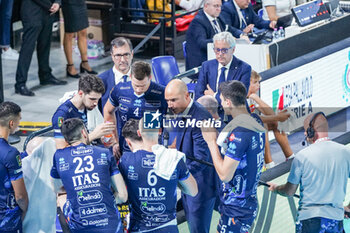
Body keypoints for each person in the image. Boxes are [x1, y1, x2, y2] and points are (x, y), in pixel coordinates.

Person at [201, 80, 266, 233]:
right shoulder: (255, 120)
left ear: (229, 102)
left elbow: (225, 174)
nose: (221, 104)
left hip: (236, 210)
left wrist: (210, 142)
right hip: (244, 204)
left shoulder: (240, 132)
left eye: (222, 100)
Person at [268, 112, 350, 233]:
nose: (305, 134)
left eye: (306, 130)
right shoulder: (345, 153)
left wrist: (276, 188)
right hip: (335, 221)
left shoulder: (302, 157)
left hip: (309, 222)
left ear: (312, 131)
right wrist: (348, 207)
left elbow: (289, 191)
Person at [119, 118, 198, 232]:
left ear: (139, 133)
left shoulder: (126, 159)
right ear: (160, 131)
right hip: (168, 228)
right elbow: (193, 191)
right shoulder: (174, 158)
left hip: (140, 228)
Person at [51, 118, 128, 233]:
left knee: (61, 197)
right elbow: (122, 196)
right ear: (83, 132)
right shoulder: (104, 152)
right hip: (111, 227)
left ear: (66, 139)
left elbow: (56, 188)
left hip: (80, 227)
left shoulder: (59, 156)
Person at [165, 79, 219, 233]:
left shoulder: (200, 118)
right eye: (167, 101)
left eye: (173, 100)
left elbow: (201, 159)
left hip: (200, 187)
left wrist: (175, 175)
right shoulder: (184, 111)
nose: (170, 105)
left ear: (187, 96)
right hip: (192, 185)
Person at [104, 61, 167, 157]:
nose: (138, 90)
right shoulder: (119, 90)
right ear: (130, 76)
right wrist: (114, 141)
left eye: (142, 86)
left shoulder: (162, 93)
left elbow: (175, 118)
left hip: (153, 150)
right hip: (126, 148)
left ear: (150, 78)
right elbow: (108, 110)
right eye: (136, 85)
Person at [14, 0, 67, 96]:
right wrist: (50, 5)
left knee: (45, 45)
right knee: (27, 48)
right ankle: (20, 83)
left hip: (48, 12)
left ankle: (45, 75)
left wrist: (57, 2)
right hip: (32, 11)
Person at [195, 31, 251, 119]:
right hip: (211, 114)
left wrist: (213, 96)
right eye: (217, 50)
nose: (220, 54)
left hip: (235, 116)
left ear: (233, 49)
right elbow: (198, 95)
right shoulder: (206, 66)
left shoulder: (244, 68)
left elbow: (238, 99)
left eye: (224, 50)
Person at [52, 75, 115, 149]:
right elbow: (62, 149)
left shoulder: (89, 104)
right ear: (81, 93)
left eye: (98, 99)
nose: (96, 103)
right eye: (92, 99)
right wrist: (93, 135)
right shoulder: (62, 115)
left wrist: (103, 138)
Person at [247, 70, 293, 168]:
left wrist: (256, 98)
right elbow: (253, 119)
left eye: (258, 82)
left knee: (275, 123)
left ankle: (290, 157)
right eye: (255, 82)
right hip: (238, 130)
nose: (258, 85)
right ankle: (269, 164)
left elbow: (270, 113)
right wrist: (277, 117)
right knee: (262, 125)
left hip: (249, 126)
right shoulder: (241, 97)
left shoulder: (252, 96)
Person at [0, 101, 29, 232]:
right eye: (19, 120)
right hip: (5, 219)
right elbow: (20, 196)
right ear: (11, 123)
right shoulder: (11, 153)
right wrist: (25, 210)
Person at [185, 0, 225, 73]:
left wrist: (240, 34)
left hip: (216, 56)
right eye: (216, 6)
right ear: (206, 6)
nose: (219, 9)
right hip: (201, 62)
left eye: (220, 6)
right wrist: (222, 40)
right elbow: (202, 43)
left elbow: (228, 28)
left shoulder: (217, 18)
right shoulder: (198, 21)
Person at [62, 0, 97, 79]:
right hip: (69, 3)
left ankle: (85, 63)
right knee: (70, 33)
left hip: (80, 2)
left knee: (83, 31)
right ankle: (70, 66)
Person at [98, 37, 133, 113]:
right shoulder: (101, 80)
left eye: (126, 54)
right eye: (118, 55)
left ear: (132, 54)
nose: (123, 60)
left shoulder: (141, 77)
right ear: (112, 56)